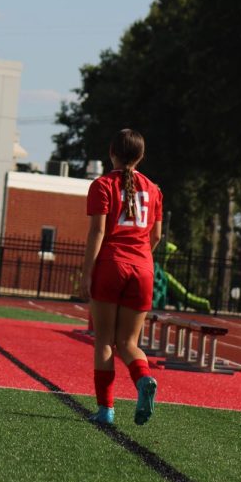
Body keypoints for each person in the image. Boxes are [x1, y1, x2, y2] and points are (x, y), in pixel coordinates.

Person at [81, 128, 163, 427]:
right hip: (143, 267)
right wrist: (139, 255)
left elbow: (98, 232)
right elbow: (155, 236)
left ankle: (106, 410)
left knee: (103, 340)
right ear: (140, 156)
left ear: (111, 152)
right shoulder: (154, 189)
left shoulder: (102, 185)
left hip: (111, 265)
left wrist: (87, 272)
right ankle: (143, 379)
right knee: (129, 342)